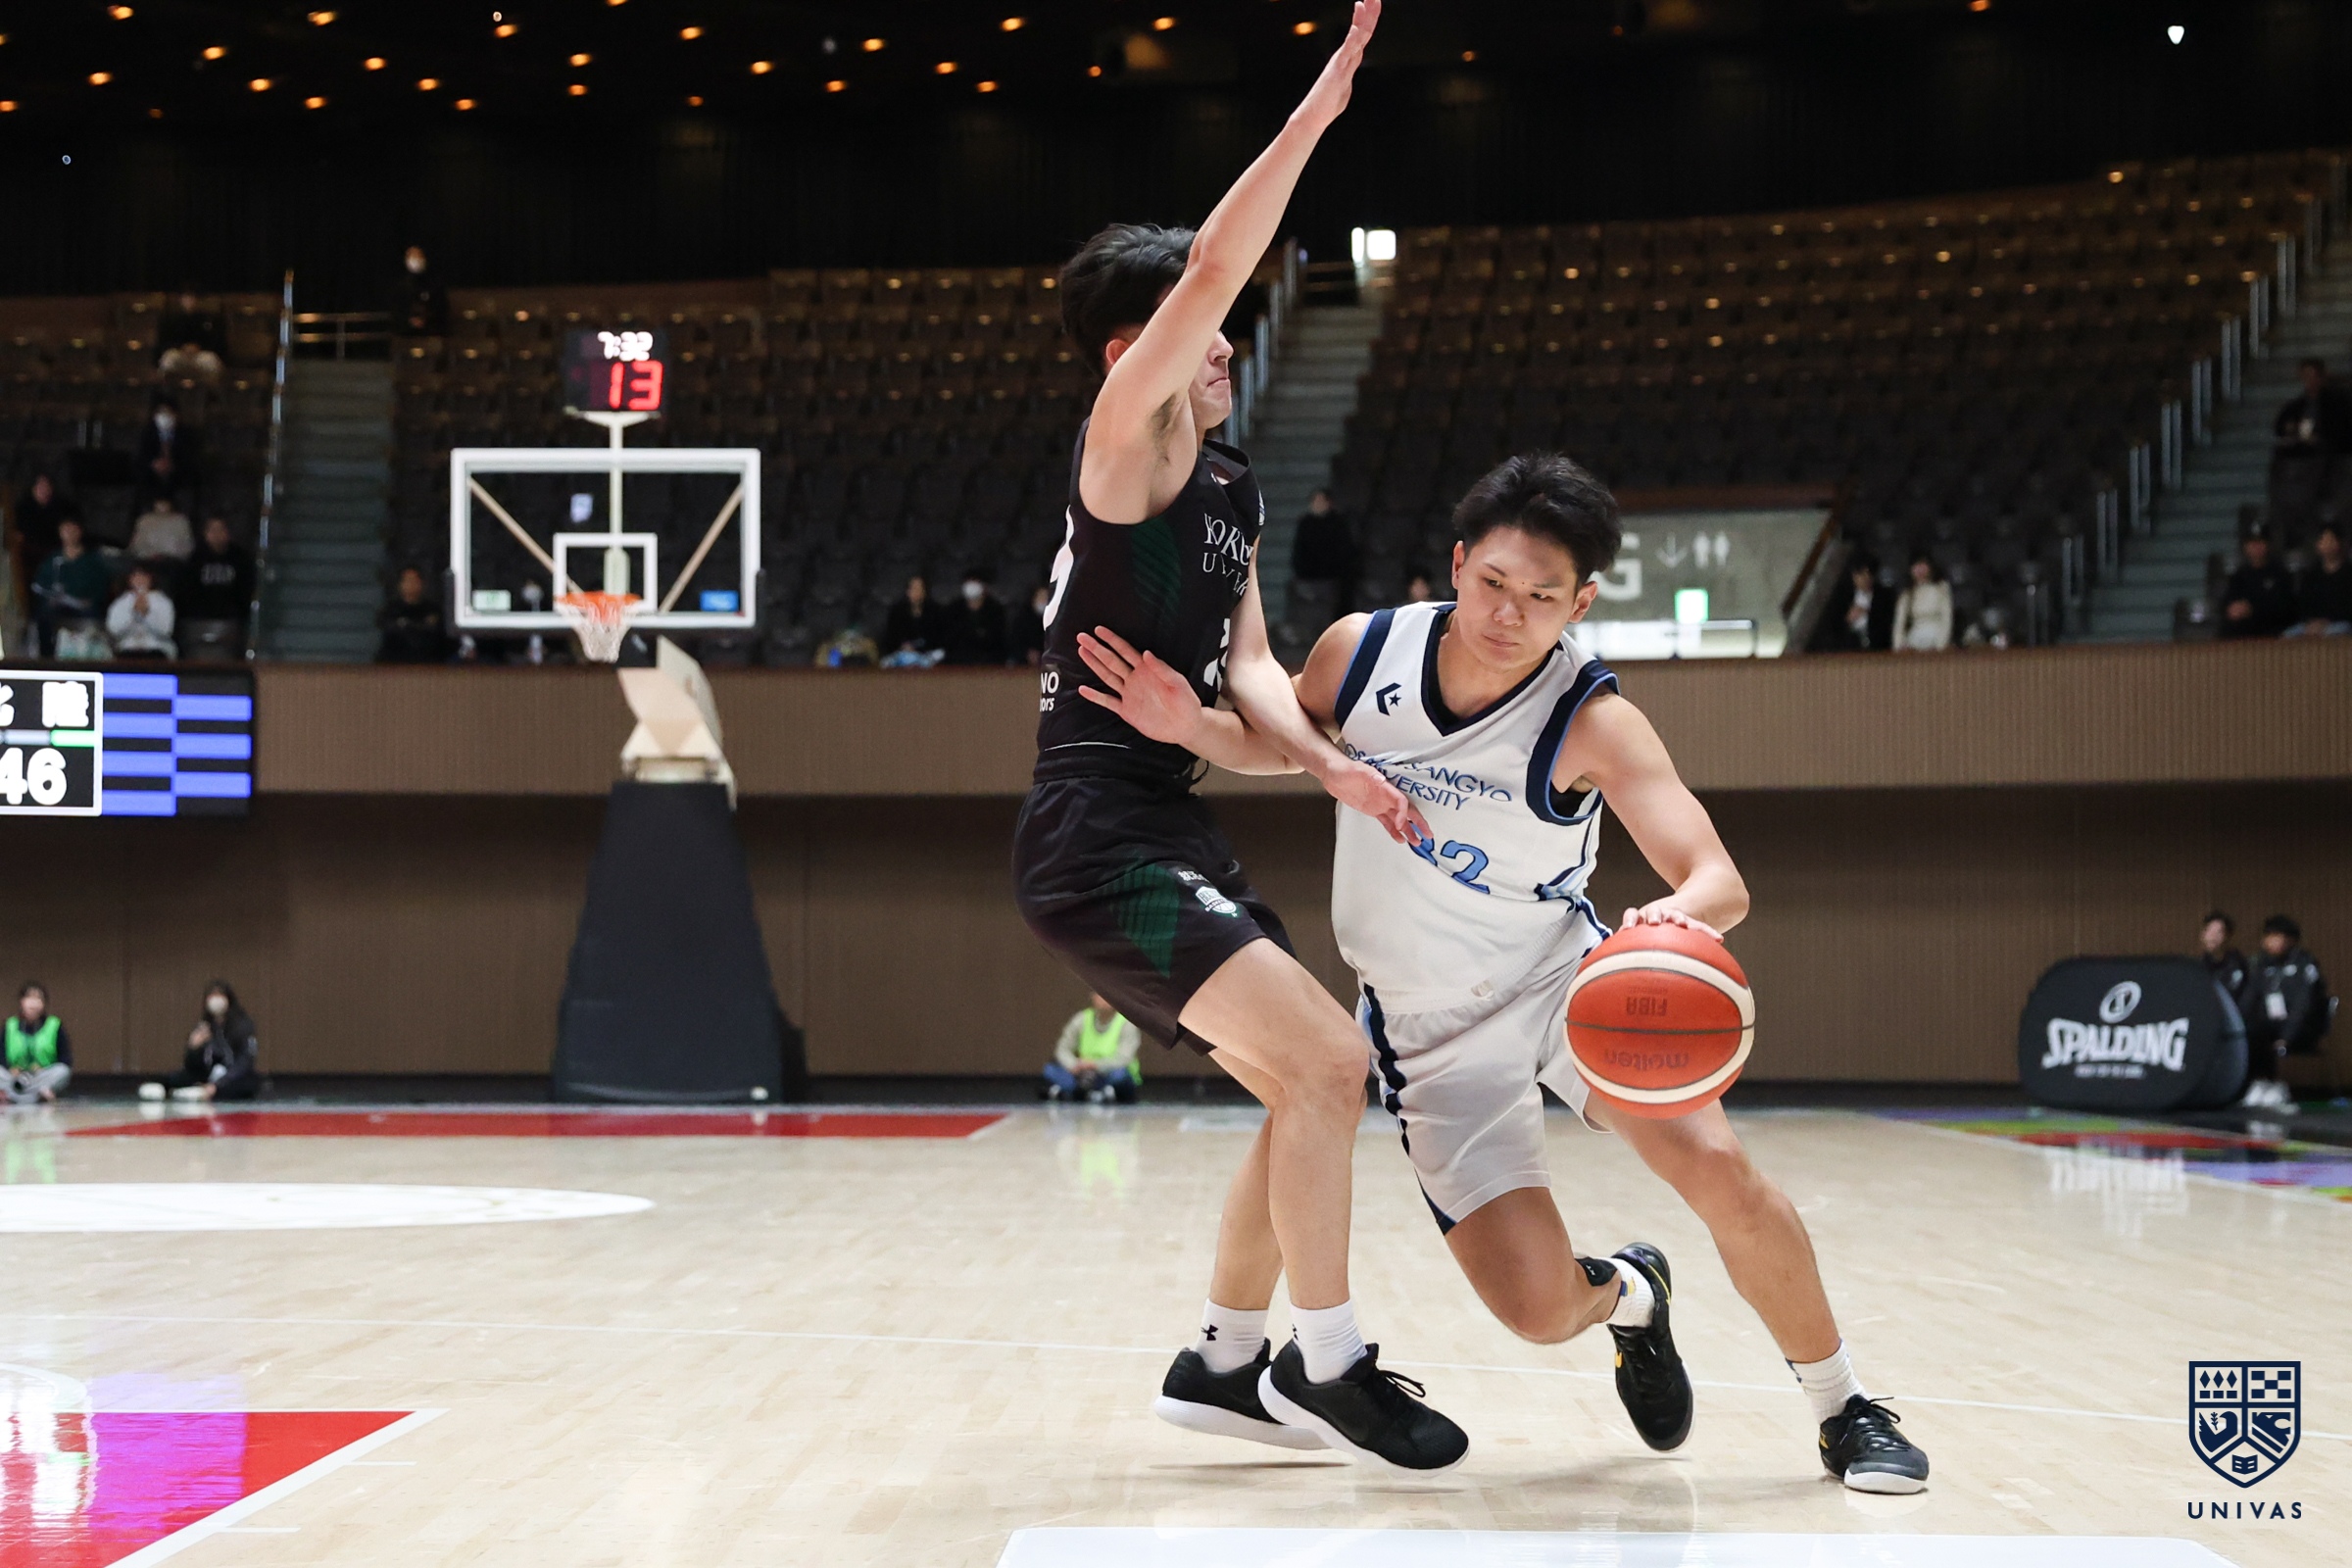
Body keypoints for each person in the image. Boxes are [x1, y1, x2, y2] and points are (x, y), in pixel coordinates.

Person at [1010, 0, 1470, 1474]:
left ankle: (1219, 1363)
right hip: (1096, 836)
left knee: (1303, 1086)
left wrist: (1327, 765)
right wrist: (1316, 115)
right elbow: (1215, 264)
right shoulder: (1124, 445)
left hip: (1167, 818)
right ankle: (1329, 1365)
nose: (1228, 343)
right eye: (1202, 330)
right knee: (1332, 1065)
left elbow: (1259, 675)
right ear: (1134, 351)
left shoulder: (1232, 488)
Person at [1289, 452, 1923, 1491]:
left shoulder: (1591, 718)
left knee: (1720, 1173)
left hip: (1564, 985)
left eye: (1542, 597)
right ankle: (1632, 1294)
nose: (1509, 613)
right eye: (1494, 582)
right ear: (1458, 563)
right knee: (1540, 1312)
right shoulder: (1359, 655)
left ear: (1580, 603)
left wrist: (1677, 914)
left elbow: (1719, 878)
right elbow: (1280, 726)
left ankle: (1845, 1408)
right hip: (1426, 1034)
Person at [2239, 915, 2331, 1111]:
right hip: (2271, 1025)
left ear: (2291, 940)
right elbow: (2248, 1000)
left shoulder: (2305, 964)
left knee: (2274, 1036)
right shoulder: (2261, 965)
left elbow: (2303, 1006)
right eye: (2268, 936)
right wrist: (2238, 1027)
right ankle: (2261, 1083)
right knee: (2250, 1033)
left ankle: (2276, 1087)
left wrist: (2286, 1038)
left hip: (2301, 1028)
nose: (2271, 942)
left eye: (2277, 936)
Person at [137, 982, 262, 1103]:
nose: (215, 1000)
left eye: (219, 995)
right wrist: (193, 1048)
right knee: (179, 1077)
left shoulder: (243, 1026)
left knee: (244, 1084)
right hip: (208, 1075)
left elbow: (244, 1062)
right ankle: (162, 1088)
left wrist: (219, 1084)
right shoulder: (205, 1026)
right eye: (212, 995)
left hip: (232, 1077)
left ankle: (205, 1092)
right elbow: (192, 1066)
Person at [2270, 358, 2351, 540]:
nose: (2310, 381)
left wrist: (2320, 438)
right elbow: (2281, 426)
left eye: (2313, 376)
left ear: (2321, 377)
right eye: (2306, 376)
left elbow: (2341, 431)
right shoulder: (2297, 406)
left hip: (2332, 459)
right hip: (2303, 459)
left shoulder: (2338, 403)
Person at [31, 518, 115, 658]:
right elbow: (40, 584)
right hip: (58, 606)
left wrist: (91, 600)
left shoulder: (92, 560)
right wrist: (49, 598)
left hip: (84, 607)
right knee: (44, 615)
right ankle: (47, 658)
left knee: (92, 617)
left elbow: (102, 586)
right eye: (66, 530)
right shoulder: (52, 559)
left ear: (79, 532)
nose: (69, 534)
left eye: (73, 530)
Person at [1042, 993, 1144, 1104]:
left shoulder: (1126, 1023)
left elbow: (1124, 1058)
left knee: (1120, 1076)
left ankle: (1077, 1092)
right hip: (1082, 1072)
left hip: (1109, 1072)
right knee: (1050, 1070)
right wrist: (1073, 1064)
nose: (1105, 999)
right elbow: (1062, 1049)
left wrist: (1095, 1065)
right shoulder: (1081, 1019)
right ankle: (1094, 1093)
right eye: (1100, 994)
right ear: (1093, 997)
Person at [1291, 488, 1358, 614]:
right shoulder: (1305, 524)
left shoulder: (1338, 524)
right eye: (1315, 501)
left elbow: (1344, 553)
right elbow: (1299, 551)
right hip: (1309, 578)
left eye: (1321, 501)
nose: (1317, 504)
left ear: (1328, 503)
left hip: (1332, 579)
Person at [2219, 532, 2297, 639]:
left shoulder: (2279, 573)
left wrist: (2252, 609)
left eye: (2260, 542)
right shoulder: (2239, 575)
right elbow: (2228, 601)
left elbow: (2285, 607)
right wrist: (2233, 609)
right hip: (2244, 628)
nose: (2256, 547)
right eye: (2252, 543)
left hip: (2271, 627)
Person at [3, 984, 71, 1106]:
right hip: (14, 1078)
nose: (33, 1004)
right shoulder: (10, 1025)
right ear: (21, 1002)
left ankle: (15, 1097)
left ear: (44, 1004)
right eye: (29, 998)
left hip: (41, 1076)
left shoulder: (54, 1025)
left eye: (38, 999)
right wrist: (11, 1070)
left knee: (62, 1071)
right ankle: (36, 1096)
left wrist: (43, 1070)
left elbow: (65, 1060)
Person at [134, 393, 202, 512]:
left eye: (168, 412)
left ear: (176, 415)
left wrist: (173, 465)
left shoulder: (188, 435)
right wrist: (153, 464)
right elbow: (140, 459)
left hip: (179, 481)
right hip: (152, 481)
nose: (164, 416)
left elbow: (193, 461)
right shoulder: (146, 434)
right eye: (160, 412)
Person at [183, 515, 256, 622]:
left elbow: (246, 589)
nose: (216, 534)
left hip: (233, 617)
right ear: (205, 534)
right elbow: (188, 592)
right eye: (212, 530)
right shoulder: (195, 559)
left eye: (220, 529)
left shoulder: (240, 558)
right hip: (201, 617)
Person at [375, 565, 453, 663]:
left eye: (415, 581)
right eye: (408, 581)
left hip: (429, 664)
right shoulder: (390, 611)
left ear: (422, 584)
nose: (411, 585)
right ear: (400, 584)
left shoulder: (433, 610)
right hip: (396, 664)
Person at [2288, 523, 2351, 636]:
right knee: (2288, 636)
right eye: (2323, 540)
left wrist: (2326, 622)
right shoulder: (2311, 575)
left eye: (2331, 540)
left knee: (2339, 630)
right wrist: (2311, 622)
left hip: (2339, 624)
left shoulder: (2348, 574)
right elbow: (2304, 604)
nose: (2327, 544)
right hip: (2311, 624)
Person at [106, 564, 177, 660]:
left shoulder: (162, 601)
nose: (139, 579)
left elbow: (165, 630)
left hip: (156, 650)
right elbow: (114, 630)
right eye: (135, 576)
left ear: (150, 578)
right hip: (127, 650)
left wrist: (147, 613)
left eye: (143, 576)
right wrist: (133, 613)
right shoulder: (121, 602)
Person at [941, 567, 1009, 665]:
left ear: (984, 586)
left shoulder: (995, 609)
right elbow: (950, 637)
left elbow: (997, 638)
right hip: (959, 658)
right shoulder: (954, 608)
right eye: (969, 582)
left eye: (975, 582)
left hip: (988, 658)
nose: (971, 586)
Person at [11, 472, 79, 570]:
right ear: (33, 488)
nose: (44, 490)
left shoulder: (62, 507)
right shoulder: (22, 508)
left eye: (47, 486)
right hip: (29, 552)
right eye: (40, 486)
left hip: (55, 550)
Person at [157, 289, 226, 382]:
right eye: (187, 298)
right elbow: (165, 342)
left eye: (192, 298)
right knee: (167, 360)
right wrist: (181, 347)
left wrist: (198, 347)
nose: (190, 301)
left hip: (199, 355)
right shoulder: (172, 319)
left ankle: (211, 390)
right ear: (181, 300)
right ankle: (166, 389)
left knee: (212, 361)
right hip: (179, 354)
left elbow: (214, 342)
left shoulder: (206, 319)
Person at [1890, 555, 1951, 651]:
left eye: (1923, 565)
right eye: (1916, 566)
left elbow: (1946, 618)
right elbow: (1899, 624)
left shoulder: (1941, 588)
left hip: (1936, 638)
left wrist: (1941, 646)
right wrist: (1898, 647)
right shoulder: (1906, 594)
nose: (1919, 569)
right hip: (1914, 641)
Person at [881, 574, 947, 663]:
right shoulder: (897, 611)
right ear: (907, 591)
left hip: (927, 653)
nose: (916, 592)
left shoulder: (935, 611)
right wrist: (903, 646)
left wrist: (919, 649)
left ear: (924, 592)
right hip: (903, 652)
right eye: (913, 588)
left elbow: (938, 638)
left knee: (940, 654)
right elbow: (891, 637)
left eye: (919, 589)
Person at [2200, 910, 2252, 1012]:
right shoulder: (2199, 967)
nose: (2212, 936)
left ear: (2228, 936)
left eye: (2218, 932)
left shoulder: (2240, 964)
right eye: (2208, 930)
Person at [393, 245, 449, 337]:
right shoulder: (401, 286)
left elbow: (441, 309)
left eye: (419, 257)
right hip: (406, 334)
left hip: (431, 332)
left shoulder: (435, 284)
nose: (416, 260)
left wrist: (426, 320)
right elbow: (397, 311)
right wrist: (410, 321)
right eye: (413, 257)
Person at [128, 495, 195, 564]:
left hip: (173, 561)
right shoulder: (144, 520)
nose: (161, 506)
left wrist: (168, 556)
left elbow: (187, 546)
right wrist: (150, 555)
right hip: (147, 560)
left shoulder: (181, 521)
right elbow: (137, 545)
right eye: (159, 503)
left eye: (164, 503)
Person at [1011, 582, 1053, 666]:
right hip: (1021, 664)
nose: (1043, 600)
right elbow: (1014, 641)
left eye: (1046, 597)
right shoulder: (1022, 618)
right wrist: (1026, 653)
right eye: (1040, 597)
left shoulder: (1054, 620)